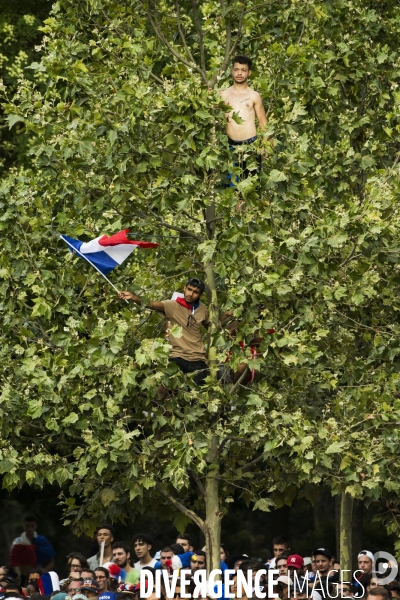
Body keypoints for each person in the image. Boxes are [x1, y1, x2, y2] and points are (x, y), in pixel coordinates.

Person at [119, 278, 210, 393]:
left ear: (200, 294)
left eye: (195, 292)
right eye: (189, 289)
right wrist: (133, 297)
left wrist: (227, 317)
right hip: (177, 356)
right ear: (184, 288)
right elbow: (151, 304)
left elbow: (212, 328)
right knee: (163, 392)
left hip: (198, 359)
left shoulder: (202, 309)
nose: (190, 294)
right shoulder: (172, 305)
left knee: (201, 398)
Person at [220, 55, 270, 185]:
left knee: (250, 189)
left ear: (249, 73)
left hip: (251, 147)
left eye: (243, 70)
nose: (239, 73)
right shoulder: (223, 94)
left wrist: (265, 144)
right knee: (232, 191)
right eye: (236, 69)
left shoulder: (254, 96)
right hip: (231, 147)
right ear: (232, 71)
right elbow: (207, 110)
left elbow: (263, 121)